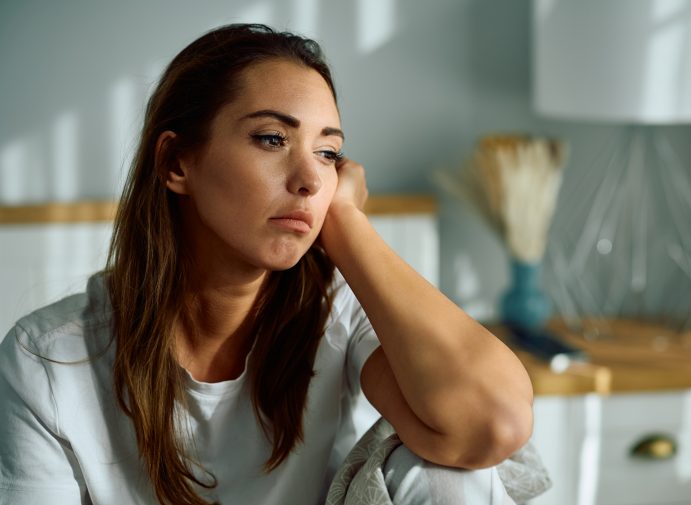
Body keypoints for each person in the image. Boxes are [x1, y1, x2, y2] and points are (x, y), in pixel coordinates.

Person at [0, 24, 534, 504]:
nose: (309, 179)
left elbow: (494, 426)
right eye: (272, 139)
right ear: (176, 162)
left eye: (328, 154)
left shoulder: (339, 318)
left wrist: (346, 227)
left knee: (449, 473)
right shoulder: (48, 361)